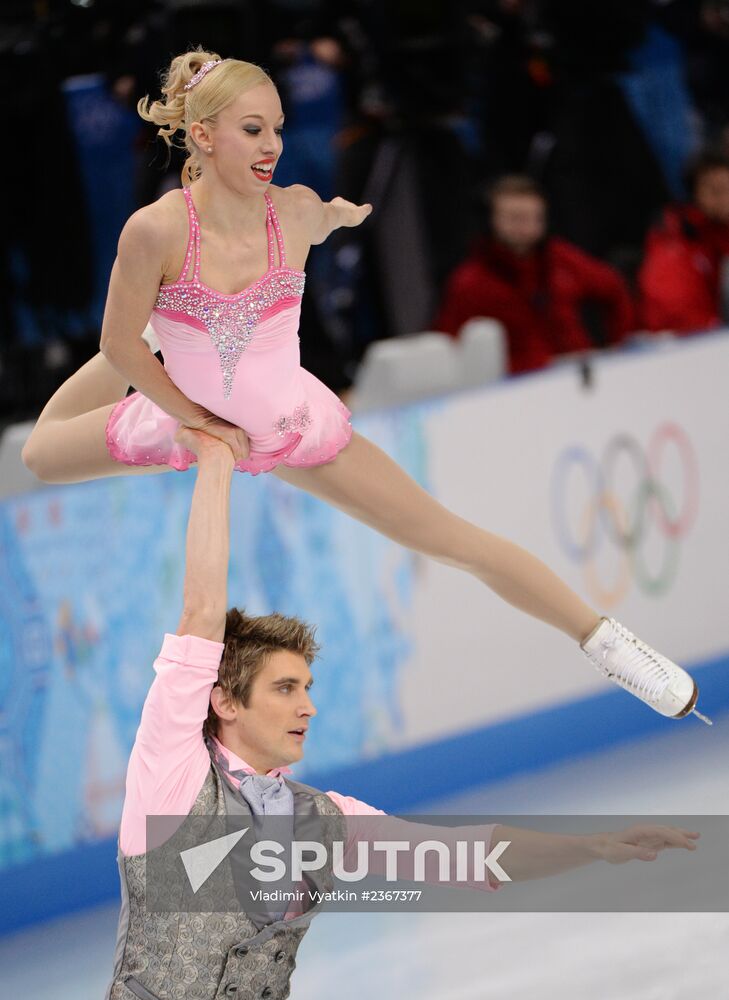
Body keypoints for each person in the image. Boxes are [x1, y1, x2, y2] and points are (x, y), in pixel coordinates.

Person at [21, 50, 703, 723]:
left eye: (278, 128)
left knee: (449, 538)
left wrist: (339, 217)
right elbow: (114, 347)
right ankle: (164, 335)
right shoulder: (155, 230)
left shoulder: (293, 211)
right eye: (252, 129)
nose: (272, 145)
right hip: (188, 418)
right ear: (202, 134)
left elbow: (321, 218)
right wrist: (192, 415)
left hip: (288, 422)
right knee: (40, 454)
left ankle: (609, 644)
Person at [106, 424, 700, 999]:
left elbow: (467, 857)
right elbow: (202, 611)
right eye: (284, 689)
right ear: (225, 700)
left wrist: (593, 845)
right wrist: (215, 459)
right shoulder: (172, 778)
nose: (308, 706)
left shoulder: (324, 821)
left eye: (307, 687)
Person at [435, 174, 635, 374]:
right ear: (491, 220)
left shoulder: (560, 258)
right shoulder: (470, 282)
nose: (527, 227)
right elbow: (449, 345)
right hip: (520, 383)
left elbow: (613, 287)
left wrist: (621, 348)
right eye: (516, 218)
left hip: (577, 371)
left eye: (535, 218)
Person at [638, 151, 729, 332]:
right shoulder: (678, 239)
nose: (725, 198)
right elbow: (675, 308)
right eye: (715, 190)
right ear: (694, 194)